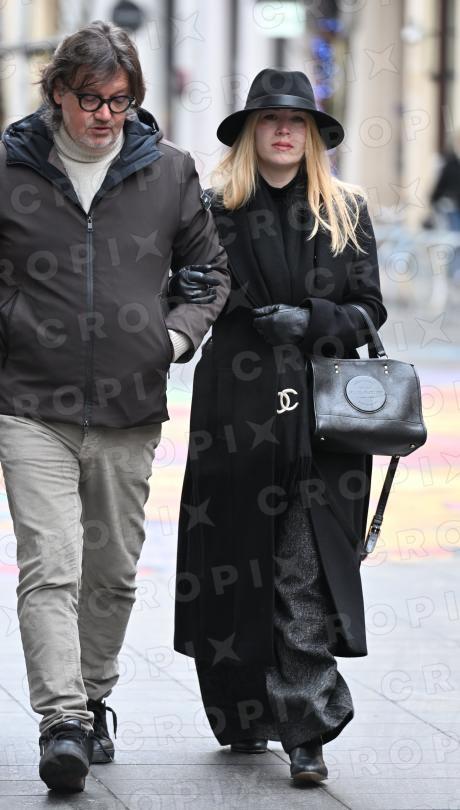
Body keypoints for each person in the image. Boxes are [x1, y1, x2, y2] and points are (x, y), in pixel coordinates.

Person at [0, 20, 229, 793]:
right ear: (58, 93)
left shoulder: (167, 171)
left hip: (131, 406)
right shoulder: (10, 167)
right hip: (30, 402)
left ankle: (94, 695)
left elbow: (207, 272)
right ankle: (62, 721)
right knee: (50, 566)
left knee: (113, 574)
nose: (106, 115)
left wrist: (173, 339)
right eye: (91, 99)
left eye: (120, 100)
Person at [173, 68, 387, 784]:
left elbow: (369, 309)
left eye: (298, 121)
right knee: (234, 567)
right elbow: (186, 292)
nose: (285, 131)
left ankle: (306, 728)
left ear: (314, 136)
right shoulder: (211, 210)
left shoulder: (346, 211)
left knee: (303, 570)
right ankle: (242, 715)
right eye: (271, 119)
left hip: (326, 421)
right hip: (235, 413)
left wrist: (313, 320)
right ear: (251, 132)